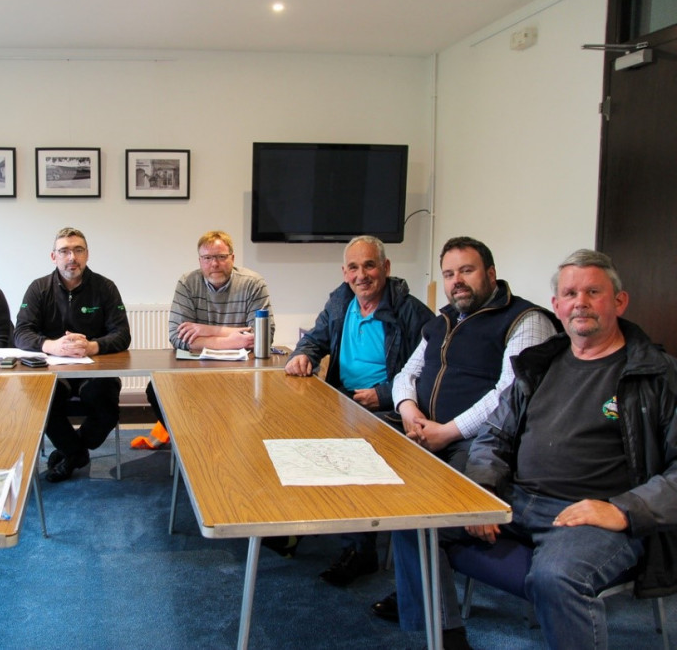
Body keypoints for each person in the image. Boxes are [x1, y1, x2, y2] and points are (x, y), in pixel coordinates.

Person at [399, 249, 677, 649]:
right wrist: (484, 493)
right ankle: (446, 636)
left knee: (556, 578)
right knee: (413, 521)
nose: (579, 302)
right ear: (557, 306)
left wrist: (622, 509)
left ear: (619, 301)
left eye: (592, 292)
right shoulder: (540, 364)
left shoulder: (657, 374)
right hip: (517, 499)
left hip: (592, 514)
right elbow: (495, 435)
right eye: (570, 294)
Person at [372, 236, 557, 646]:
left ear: (491, 273)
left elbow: (509, 395)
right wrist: (409, 411)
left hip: (477, 446)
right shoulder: (441, 321)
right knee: (360, 470)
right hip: (424, 430)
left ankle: (445, 632)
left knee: (414, 511)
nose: (457, 282)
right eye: (449, 274)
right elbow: (407, 373)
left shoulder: (525, 321)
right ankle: (410, 587)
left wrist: (448, 431)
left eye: (467, 271)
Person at [278, 235, 433, 582]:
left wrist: (385, 393)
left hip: (387, 410)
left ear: (386, 268)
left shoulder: (412, 312)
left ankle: (360, 551)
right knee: (281, 426)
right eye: (353, 267)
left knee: (352, 450)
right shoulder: (340, 301)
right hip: (339, 398)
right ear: (344, 272)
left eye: (369, 265)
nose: (361, 275)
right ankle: (292, 523)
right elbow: (314, 338)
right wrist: (303, 354)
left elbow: (430, 374)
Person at [14, 227, 131, 482]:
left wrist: (92, 346)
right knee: (42, 404)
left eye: (78, 250)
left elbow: (122, 334)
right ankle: (76, 454)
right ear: (53, 257)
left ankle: (70, 452)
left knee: (107, 408)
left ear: (87, 254)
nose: (72, 257)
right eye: (64, 251)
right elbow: (21, 332)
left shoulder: (105, 287)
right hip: (53, 370)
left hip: (97, 369)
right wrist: (51, 345)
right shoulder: (38, 288)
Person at [140, 231, 273, 440]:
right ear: (200, 261)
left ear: (232, 258)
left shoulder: (253, 283)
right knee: (155, 389)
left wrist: (206, 330)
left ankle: (244, 439)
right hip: (194, 368)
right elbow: (177, 336)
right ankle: (183, 441)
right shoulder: (188, 283)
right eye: (208, 258)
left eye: (221, 257)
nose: (215, 264)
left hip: (241, 371)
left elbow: (263, 336)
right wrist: (231, 340)